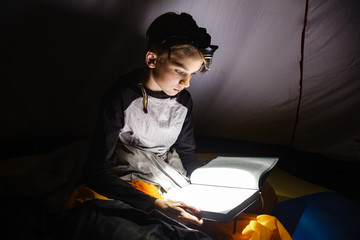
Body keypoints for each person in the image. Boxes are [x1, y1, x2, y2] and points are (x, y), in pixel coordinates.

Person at [82, 12, 218, 226]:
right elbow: (97, 171)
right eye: (179, 71)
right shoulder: (121, 97)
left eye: (192, 74)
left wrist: (213, 183)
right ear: (152, 59)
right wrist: (156, 204)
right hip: (127, 175)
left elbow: (186, 155)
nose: (186, 83)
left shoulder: (184, 101)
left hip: (166, 170)